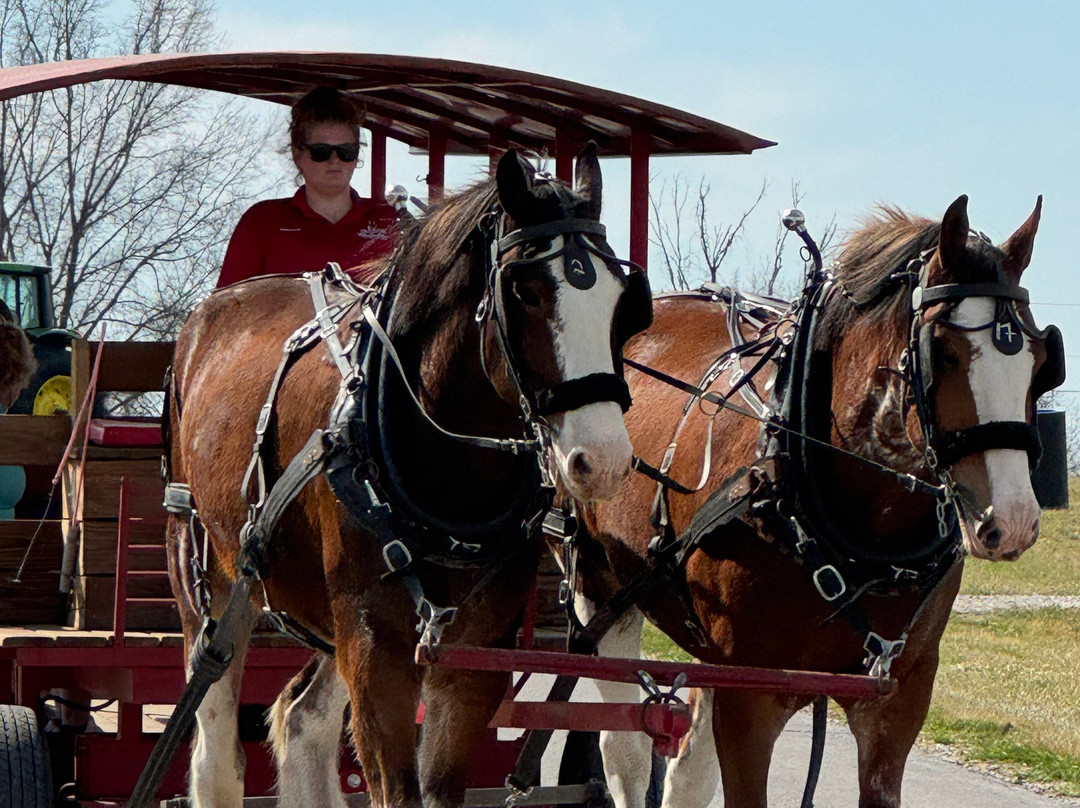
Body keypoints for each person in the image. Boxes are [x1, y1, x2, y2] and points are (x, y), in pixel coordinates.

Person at [216, 87, 397, 288]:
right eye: (321, 151)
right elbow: (229, 302)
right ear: (297, 154)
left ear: (356, 156)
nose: (335, 160)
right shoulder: (262, 222)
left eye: (346, 151)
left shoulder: (389, 221)